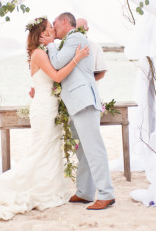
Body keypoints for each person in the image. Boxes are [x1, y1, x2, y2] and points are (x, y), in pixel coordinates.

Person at [0, 17, 90, 220]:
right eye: (49, 28)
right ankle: (11, 185)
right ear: (41, 34)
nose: (53, 29)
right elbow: (57, 77)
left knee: (50, 148)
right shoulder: (38, 53)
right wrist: (77, 58)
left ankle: (49, 188)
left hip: (49, 105)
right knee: (41, 148)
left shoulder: (45, 52)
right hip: (44, 108)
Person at [40, 12, 115, 210]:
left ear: (65, 21)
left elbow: (56, 64)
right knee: (82, 150)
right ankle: (85, 192)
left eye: (55, 23)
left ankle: (106, 194)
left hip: (83, 101)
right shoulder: (69, 41)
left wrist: (49, 44)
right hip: (76, 102)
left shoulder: (75, 38)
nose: (53, 27)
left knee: (93, 148)